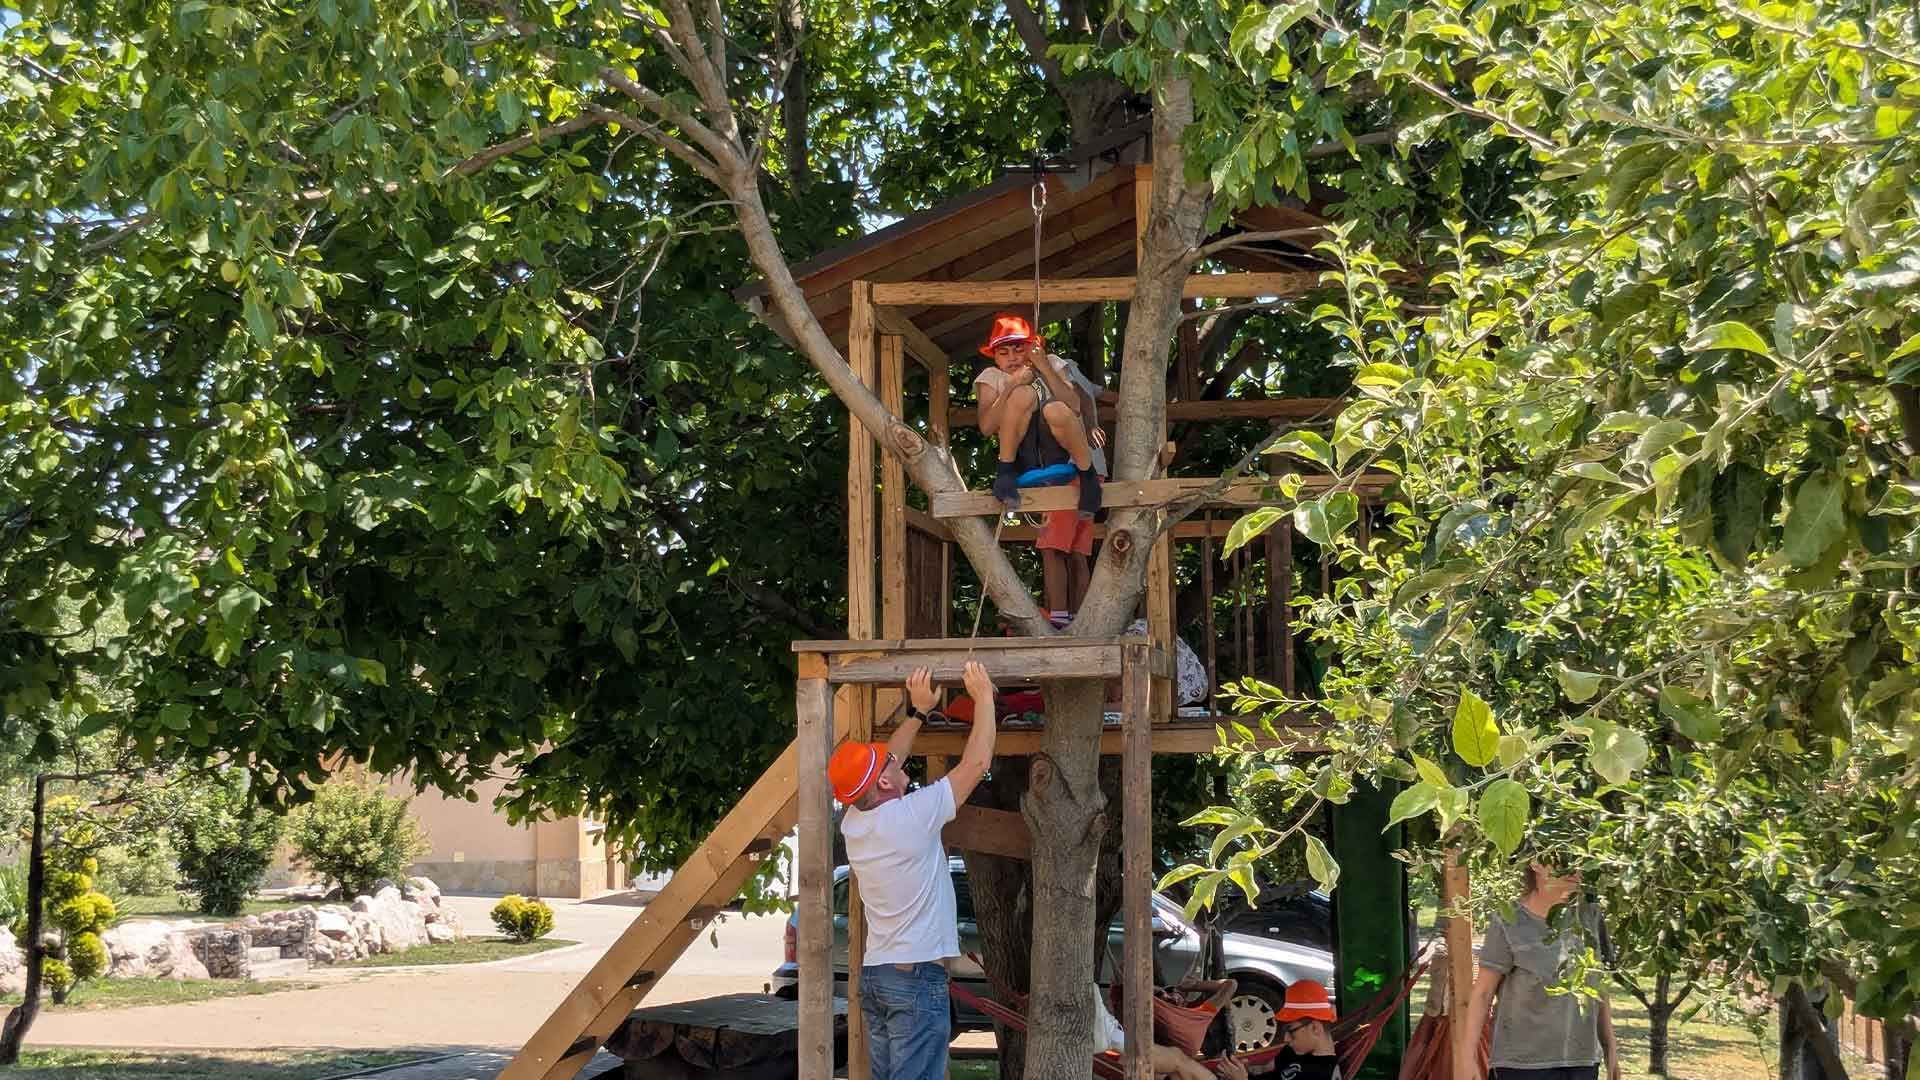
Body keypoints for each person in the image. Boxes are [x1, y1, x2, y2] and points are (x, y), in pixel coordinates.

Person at [828, 662, 999, 1080]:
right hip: (915, 979)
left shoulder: (856, 821)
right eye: (882, 763)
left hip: (882, 976)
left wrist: (919, 713)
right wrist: (985, 700)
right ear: (884, 785)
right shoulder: (910, 818)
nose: (890, 757)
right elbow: (975, 765)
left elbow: (889, 763)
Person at [973, 313, 1106, 624]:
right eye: (1003, 352)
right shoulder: (991, 379)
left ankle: (1080, 617)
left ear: (1032, 348)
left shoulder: (1053, 364)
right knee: (1052, 546)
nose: (1012, 358)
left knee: (1075, 549)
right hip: (1029, 463)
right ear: (993, 356)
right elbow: (986, 426)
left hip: (1066, 460)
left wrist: (1044, 367)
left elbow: (1075, 405)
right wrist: (1010, 387)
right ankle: (1062, 615)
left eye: (1019, 349)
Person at [1462, 861, 1621, 1080]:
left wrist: (1610, 1047)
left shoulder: (1590, 916)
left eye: (1579, 861)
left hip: (1581, 1061)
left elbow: (1597, 986)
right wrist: (1466, 1057)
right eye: (1564, 860)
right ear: (1536, 863)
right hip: (1522, 1066)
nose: (1575, 869)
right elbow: (1483, 993)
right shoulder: (1509, 920)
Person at [1091, 981, 1250, 1080]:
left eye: (1170, 991)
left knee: (1176, 1060)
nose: (1167, 996)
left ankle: (1113, 1038)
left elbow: (1231, 985)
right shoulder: (1197, 1013)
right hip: (1154, 1064)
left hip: (1160, 1062)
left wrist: (1194, 985)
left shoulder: (1200, 1014)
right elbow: (1231, 985)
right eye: (1161, 994)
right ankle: (1113, 1038)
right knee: (1171, 1063)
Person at [1267, 980, 1342, 1080]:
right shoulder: (1291, 1051)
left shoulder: (1323, 1074)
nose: (1286, 1038)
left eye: (1291, 1030)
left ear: (1315, 1028)